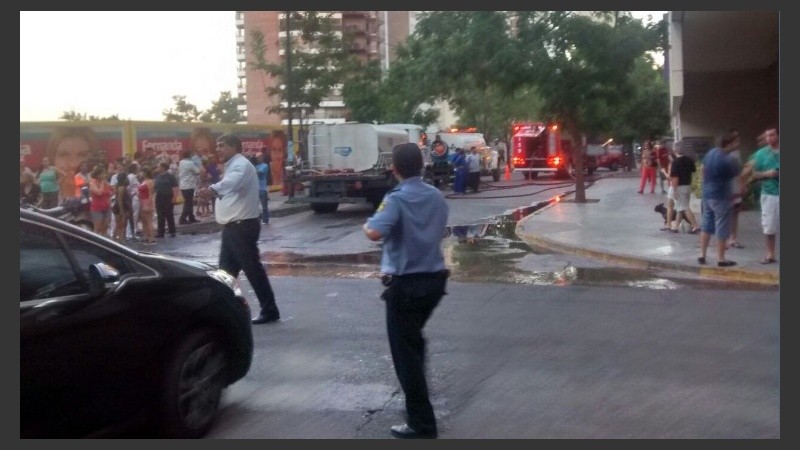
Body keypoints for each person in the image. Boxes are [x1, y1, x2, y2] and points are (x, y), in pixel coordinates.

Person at [362, 142, 449, 439]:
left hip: (406, 286)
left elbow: (375, 231)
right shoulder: (437, 196)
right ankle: (418, 398)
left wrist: (367, 224)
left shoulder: (395, 199)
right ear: (422, 166)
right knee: (414, 343)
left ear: (394, 168)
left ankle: (422, 423)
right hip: (434, 281)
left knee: (405, 356)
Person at [197, 134, 281, 325]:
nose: (217, 149)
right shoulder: (233, 164)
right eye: (217, 145)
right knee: (225, 273)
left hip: (241, 227)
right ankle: (221, 311)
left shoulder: (241, 165)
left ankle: (269, 309)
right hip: (233, 227)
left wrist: (212, 189)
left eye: (221, 145)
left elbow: (230, 184)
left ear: (234, 147)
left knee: (252, 269)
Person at [697, 129, 742, 267]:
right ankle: (721, 259)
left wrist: (706, 184)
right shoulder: (729, 160)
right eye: (736, 142)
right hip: (721, 196)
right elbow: (740, 174)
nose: (738, 144)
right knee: (722, 227)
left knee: (706, 226)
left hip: (707, 195)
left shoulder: (711, 153)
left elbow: (703, 169)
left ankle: (702, 255)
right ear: (729, 143)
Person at [741, 125, 779, 264]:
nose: (769, 138)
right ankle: (770, 254)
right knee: (769, 225)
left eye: (772, 135)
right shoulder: (761, 154)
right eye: (767, 136)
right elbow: (754, 173)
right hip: (770, 193)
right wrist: (767, 173)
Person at [46, 126, 101, 203]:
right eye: (64, 155)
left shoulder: (98, 190)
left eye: (82, 154)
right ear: (53, 158)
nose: (73, 164)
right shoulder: (47, 194)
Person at [669, 141, 701, 233]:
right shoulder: (689, 160)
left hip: (679, 187)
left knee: (685, 207)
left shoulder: (675, 162)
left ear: (676, 149)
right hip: (687, 186)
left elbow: (675, 178)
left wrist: (674, 190)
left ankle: (695, 225)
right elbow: (694, 170)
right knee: (681, 207)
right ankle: (675, 227)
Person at [154, 161, 179, 238]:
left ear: (163, 168)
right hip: (159, 197)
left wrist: (174, 197)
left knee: (169, 214)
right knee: (160, 215)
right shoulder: (157, 177)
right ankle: (161, 232)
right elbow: (155, 188)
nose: (157, 168)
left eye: (159, 166)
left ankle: (172, 231)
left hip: (168, 196)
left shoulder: (170, 176)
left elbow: (175, 187)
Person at [177, 148, 201, 225]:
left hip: (183, 185)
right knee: (188, 203)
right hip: (189, 185)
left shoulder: (181, 162)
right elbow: (197, 172)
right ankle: (182, 218)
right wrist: (198, 165)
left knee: (189, 202)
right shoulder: (190, 163)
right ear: (189, 155)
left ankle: (191, 217)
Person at [88, 165, 113, 237]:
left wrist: (109, 196)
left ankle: (104, 243)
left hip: (107, 207)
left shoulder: (106, 183)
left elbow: (113, 190)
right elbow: (99, 193)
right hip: (97, 208)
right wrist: (102, 184)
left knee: (105, 226)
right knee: (97, 228)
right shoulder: (92, 183)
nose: (104, 175)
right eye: (103, 173)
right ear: (98, 175)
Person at [137, 166, 157, 245]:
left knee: (149, 220)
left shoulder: (150, 182)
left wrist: (148, 204)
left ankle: (152, 238)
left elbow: (150, 194)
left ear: (145, 173)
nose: (140, 173)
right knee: (144, 220)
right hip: (141, 201)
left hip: (146, 201)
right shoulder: (143, 181)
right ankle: (146, 236)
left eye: (142, 172)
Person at [254, 152, 271, 224]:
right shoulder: (256, 166)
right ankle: (257, 219)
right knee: (254, 206)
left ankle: (265, 219)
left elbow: (259, 172)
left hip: (263, 188)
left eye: (259, 157)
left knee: (264, 206)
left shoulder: (265, 166)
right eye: (257, 158)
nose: (258, 159)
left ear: (262, 157)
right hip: (256, 189)